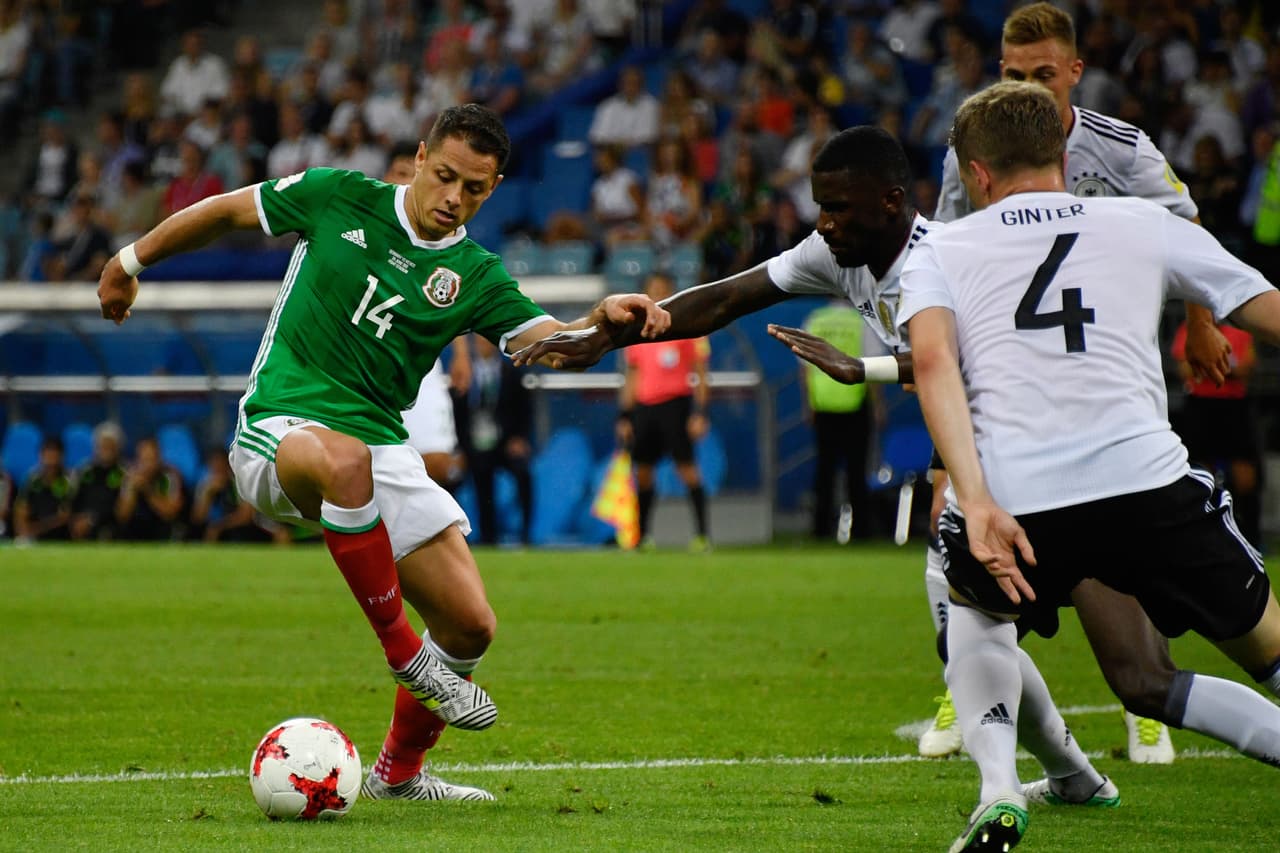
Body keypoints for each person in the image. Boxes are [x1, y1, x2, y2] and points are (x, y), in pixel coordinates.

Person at [97, 103, 669, 803]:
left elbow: (548, 345)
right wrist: (130, 261)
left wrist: (600, 326)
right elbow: (223, 211)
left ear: (492, 190)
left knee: (469, 623)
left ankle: (398, 774)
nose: (455, 199)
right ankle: (406, 653)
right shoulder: (340, 195)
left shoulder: (474, 273)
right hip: (281, 426)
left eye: (476, 190)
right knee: (346, 465)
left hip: (377, 447)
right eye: (448, 177)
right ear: (421, 157)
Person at [897, 79, 1280, 853]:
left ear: (975, 173)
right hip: (1148, 486)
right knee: (1269, 651)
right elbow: (1263, 310)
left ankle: (1000, 787)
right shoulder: (1144, 222)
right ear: (1063, 155)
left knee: (975, 614)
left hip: (1023, 498)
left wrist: (974, 502)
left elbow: (934, 363)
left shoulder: (940, 246)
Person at [929, 0, 1234, 765]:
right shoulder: (970, 148)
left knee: (1123, 525)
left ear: (1074, 72)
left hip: (1108, 361)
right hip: (1009, 369)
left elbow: (1185, 229)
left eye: (1044, 74)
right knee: (952, 516)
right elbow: (945, 252)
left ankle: (1147, 707)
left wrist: (1199, 323)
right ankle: (965, 687)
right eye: (1014, 73)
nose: (1031, 86)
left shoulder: (1122, 149)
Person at [617, 272, 712, 552]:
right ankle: (643, 536)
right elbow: (632, 377)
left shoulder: (687, 325)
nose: (657, 294)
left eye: (662, 289)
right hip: (646, 408)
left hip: (677, 405)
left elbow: (702, 375)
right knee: (643, 473)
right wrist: (624, 415)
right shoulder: (636, 331)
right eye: (652, 289)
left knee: (688, 470)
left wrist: (701, 412)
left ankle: (702, 536)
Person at [1171, 321, 1263, 548]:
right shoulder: (1189, 329)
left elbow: (1247, 367)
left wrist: (1208, 365)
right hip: (1201, 406)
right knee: (1201, 475)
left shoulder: (1239, 331)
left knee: (1245, 478)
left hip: (1233, 407)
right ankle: (1205, 539)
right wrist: (1223, 365)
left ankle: (1251, 538)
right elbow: (1184, 369)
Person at [801, 299, 873, 542]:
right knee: (856, 470)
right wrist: (879, 405)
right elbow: (872, 365)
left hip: (823, 404)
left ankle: (820, 530)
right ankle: (861, 529)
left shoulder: (815, 320)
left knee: (824, 471)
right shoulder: (860, 321)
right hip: (855, 402)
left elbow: (804, 365)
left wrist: (808, 403)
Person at [460, 334, 534, 546]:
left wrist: (519, 438)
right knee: (479, 478)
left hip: (505, 442)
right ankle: (486, 537)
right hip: (475, 444)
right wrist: (461, 446)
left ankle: (525, 534)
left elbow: (525, 408)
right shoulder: (465, 374)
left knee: (523, 473)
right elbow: (458, 414)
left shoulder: (510, 373)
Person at [190, 449, 289, 543]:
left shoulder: (239, 481)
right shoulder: (206, 484)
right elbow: (198, 519)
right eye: (215, 468)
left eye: (220, 468)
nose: (217, 473)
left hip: (254, 522)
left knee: (281, 533)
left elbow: (246, 515)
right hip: (225, 525)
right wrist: (207, 495)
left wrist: (219, 527)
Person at [114, 436, 185, 541]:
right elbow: (122, 516)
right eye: (144, 460)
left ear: (159, 458)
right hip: (135, 532)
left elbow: (171, 513)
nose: (147, 465)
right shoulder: (130, 477)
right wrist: (132, 491)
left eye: (151, 459)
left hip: (163, 531)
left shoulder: (170, 476)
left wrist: (148, 491)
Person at [70, 421, 127, 541]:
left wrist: (92, 519)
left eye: (110, 446)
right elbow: (73, 501)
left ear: (118, 447)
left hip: (113, 526)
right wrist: (78, 519)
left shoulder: (125, 473)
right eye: (103, 446)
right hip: (81, 524)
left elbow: (121, 508)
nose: (106, 450)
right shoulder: (83, 471)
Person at [13, 436, 72, 543]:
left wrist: (36, 529)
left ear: (61, 457)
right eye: (48, 457)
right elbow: (21, 510)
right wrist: (23, 531)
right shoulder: (32, 480)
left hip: (61, 535)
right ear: (41, 456)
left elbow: (65, 517)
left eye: (54, 457)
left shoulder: (69, 481)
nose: (51, 462)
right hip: (33, 535)